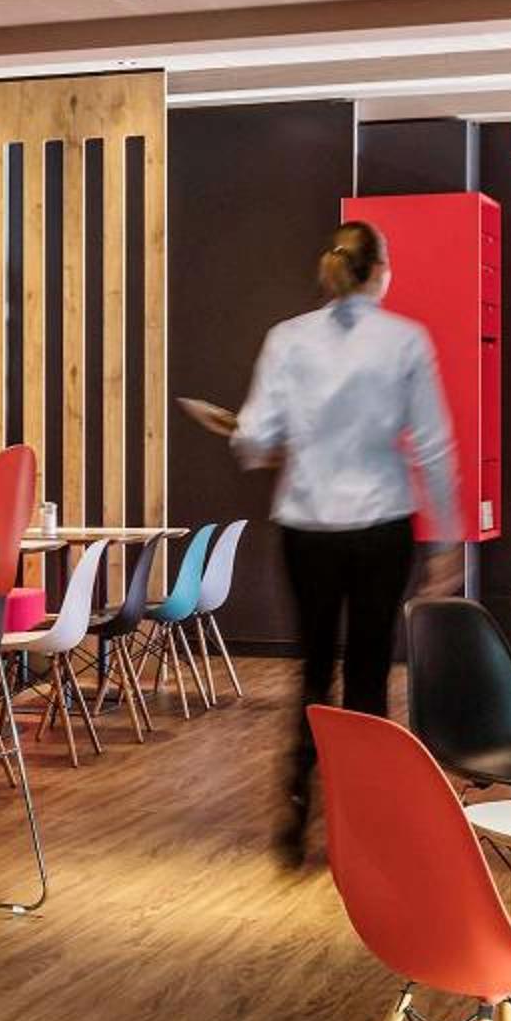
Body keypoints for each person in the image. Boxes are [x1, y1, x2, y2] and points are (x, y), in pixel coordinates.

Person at [215, 219, 461, 865]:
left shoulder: (287, 338)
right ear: (379, 271)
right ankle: (367, 823)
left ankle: (296, 814)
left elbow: (253, 436)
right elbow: (434, 446)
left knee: (313, 671)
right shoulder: (405, 340)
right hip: (382, 525)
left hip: (307, 527)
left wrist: (265, 447)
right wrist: (446, 540)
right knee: (370, 677)